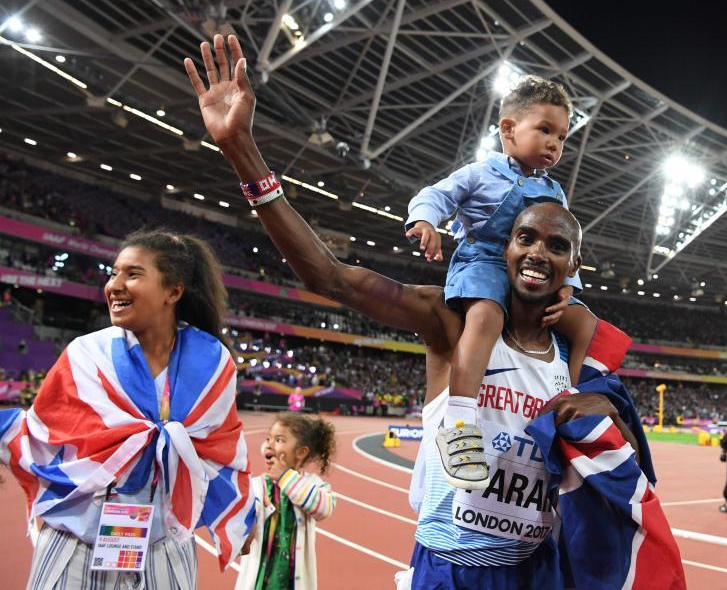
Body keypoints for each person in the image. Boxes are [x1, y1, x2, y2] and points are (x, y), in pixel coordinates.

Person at [182, 34, 684, 589]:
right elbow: (329, 276)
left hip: (536, 571)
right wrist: (242, 152)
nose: (538, 251)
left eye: (556, 245)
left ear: (573, 265)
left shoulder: (573, 354)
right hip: (451, 569)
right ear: (504, 246)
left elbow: (619, 463)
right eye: (524, 237)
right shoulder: (451, 323)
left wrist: (599, 418)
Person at [0, 230, 253, 589]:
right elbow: (42, 432)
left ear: (173, 291)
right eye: (113, 273)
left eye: (132, 274)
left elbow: (220, 448)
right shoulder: (86, 356)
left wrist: (241, 511)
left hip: (164, 546)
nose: (114, 286)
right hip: (76, 543)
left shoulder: (212, 363)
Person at [405, 75, 598, 490]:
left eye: (562, 137)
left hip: (535, 276)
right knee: (487, 316)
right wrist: (425, 220)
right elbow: (436, 195)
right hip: (485, 265)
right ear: (508, 129)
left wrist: (569, 286)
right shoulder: (480, 173)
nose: (554, 144)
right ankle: (459, 418)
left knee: (584, 323)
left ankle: (573, 412)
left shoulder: (555, 193)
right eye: (544, 130)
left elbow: (568, 239)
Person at [236, 413, 337, 590]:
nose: (269, 443)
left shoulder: (312, 485)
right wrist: (242, 536)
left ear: (301, 452)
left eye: (279, 439)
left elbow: (324, 508)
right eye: (268, 438)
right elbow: (241, 528)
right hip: (259, 584)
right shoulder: (256, 487)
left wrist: (285, 476)